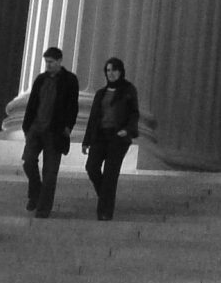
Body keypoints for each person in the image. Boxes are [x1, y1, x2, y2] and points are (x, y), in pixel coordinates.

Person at [20, 45, 80, 218]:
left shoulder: (70, 80)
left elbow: (73, 106)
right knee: (28, 161)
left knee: (50, 172)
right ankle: (35, 192)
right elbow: (32, 103)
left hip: (56, 132)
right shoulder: (40, 79)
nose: (48, 65)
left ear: (60, 61)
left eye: (51, 62)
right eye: (46, 62)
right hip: (36, 129)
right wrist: (27, 127)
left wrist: (68, 127)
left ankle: (43, 208)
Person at [81, 56, 141, 221]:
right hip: (100, 135)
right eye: (108, 70)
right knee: (92, 167)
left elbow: (134, 113)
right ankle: (106, 199)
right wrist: (86, 141)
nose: (111, 73)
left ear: (120, 71)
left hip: (118, 137)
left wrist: (127, 130)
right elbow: (93, 118)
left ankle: (104, 212)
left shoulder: (128, 90)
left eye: (114, 70)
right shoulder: (101, 93)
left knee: (110, 174)